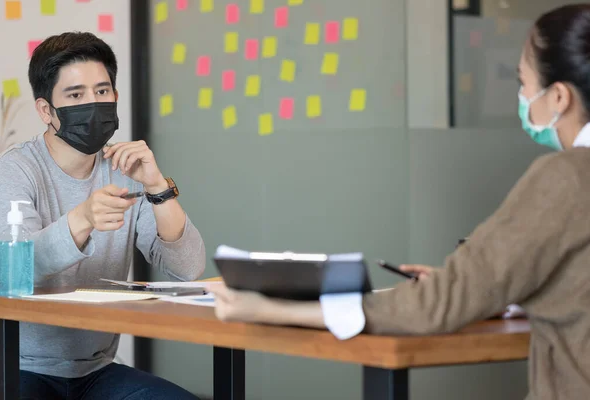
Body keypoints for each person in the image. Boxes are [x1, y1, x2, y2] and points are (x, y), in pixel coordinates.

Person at [210, 4, 590, 399]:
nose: (523, 97)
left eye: (523, 82)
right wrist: (489, 291)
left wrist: (271, 311)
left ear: (559, 96)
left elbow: (441, 304)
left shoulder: (566, 178)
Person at [0, 32, 205, 399]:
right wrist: (84, 218)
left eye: (102, 92)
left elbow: (187, 268)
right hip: (18, 366)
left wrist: (156, 185)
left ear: (115, 97)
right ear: (46, 110)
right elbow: (14, 271)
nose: (93, 103)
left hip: (98, 370)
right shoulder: (15, 171)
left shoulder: (123, 168)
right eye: (75, 95)